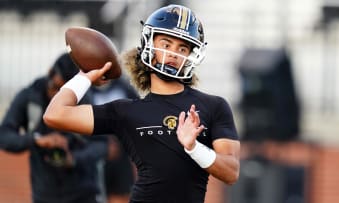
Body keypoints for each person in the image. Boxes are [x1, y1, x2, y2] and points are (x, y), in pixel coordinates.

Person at [44, 4, 241, 203]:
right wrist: (84, 77)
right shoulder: (125, 111)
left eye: (182, 48)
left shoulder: (214, 106)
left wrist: (193, 147)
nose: (174, 53)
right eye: (166, 44)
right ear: (149, 45)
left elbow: (231, 172)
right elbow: (55, 114)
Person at [0, 53, 111, 203]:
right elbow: (4, 136)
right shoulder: (29, 97)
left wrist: (74, 159)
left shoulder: (85, 100)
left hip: (83, 193)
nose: (56, 98)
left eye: (64, 93)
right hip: (44, 194)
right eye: (55, 88)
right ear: (50, 73)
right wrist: (37, 140)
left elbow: (102, 145)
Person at [89, 78, 139, 203]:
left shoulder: (123, 87)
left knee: (121, 194)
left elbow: (137, 122)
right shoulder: (85, 90)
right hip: (94, 153)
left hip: (121, 154)